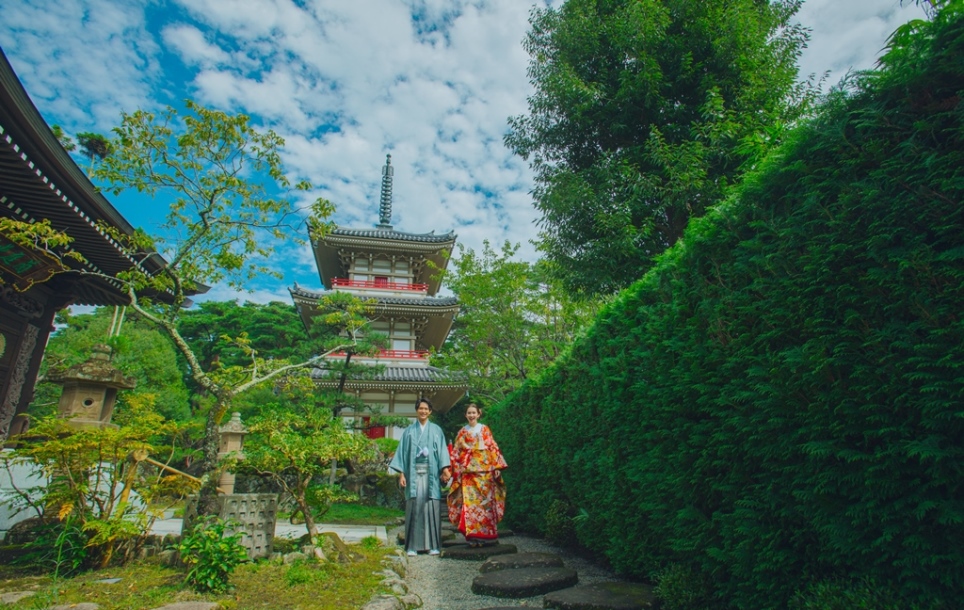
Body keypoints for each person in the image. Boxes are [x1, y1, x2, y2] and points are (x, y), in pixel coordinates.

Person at [389, 398, 451, 556]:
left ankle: (433, 546)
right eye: (420, 408)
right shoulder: (409, 431)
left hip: (431, 475)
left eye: (426, 409)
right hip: (413, 474)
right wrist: (401, 474)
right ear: (417, 410)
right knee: (414, 507)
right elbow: (402, 453)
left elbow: (443, 452)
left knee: (431, 507)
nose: (423, 411)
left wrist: (445, 469)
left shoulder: (436, 430)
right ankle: (412, 547)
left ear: (430, 411)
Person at [447, 403, 508, 547]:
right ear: (465, 415)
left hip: (485, 472)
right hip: (468, 474)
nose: (471, 415)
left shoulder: (484, 429)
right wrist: (453, 469)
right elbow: (455, 452)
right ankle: (473, 537)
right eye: (469, 413)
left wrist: (497, 466)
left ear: (479, 414)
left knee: (486, 504)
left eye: (474, 413)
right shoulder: (462, 432)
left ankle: (488, 536)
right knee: (470, 506)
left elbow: (493, 447)